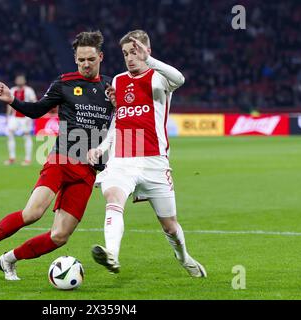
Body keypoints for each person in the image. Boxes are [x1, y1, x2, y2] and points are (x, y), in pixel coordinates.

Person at [0, 31, 114, 281]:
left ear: (100, 57)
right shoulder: (64, 83)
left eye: (90, 59)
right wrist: (13, 101)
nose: (85, 64)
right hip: (61, 159)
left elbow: (123, 121)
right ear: (75, 58)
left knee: (60, 237)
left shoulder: (112, 87)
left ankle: (8, 259)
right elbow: (38, 110)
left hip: (88, 171)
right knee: (33, 212)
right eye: (81, 60)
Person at [87, 30, 207, 277]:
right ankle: (112, 254)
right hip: (123, 158)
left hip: (154, 161)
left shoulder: (159, 78)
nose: (130, 58)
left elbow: (181, 78)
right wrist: (102, 147)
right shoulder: (118, 81)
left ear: (147, 51)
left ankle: (184, 257)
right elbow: (119, 120)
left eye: (135, 52)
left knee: (170, 226)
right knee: (113, 199)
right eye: (126, 53)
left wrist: (149, 60)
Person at [4, 74, 37, 166]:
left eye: (21, 79)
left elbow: (34, 102)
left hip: (26, 116)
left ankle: (28, 159)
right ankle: (12, 157)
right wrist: (7, 116)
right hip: (14, 116)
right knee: (10, 133)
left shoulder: (29, 90)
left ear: (24, 81)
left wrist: (32, 115)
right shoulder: (13, 90)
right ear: (15, 81)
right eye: (18, 79)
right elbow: (9, 103)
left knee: (26, 136)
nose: (19, 81)